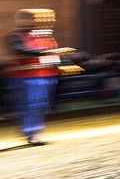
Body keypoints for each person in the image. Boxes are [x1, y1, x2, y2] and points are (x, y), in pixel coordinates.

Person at [4, 9, 74, 145]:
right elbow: (22, 51)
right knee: (31, 104)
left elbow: (52, 55)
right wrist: (49, 52)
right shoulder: (15, 36)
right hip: (26, 77)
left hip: (45, 75)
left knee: (41, 104)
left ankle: (33, 131)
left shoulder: (44, 36)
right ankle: (31, 132)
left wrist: (62, 65)